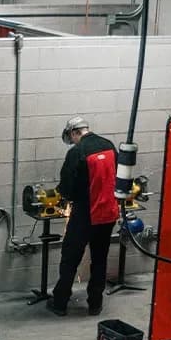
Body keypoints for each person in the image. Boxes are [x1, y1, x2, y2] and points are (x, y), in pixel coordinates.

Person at [49, 116, 119, 317]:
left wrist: (64, 196)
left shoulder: (77, 152)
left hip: (85, 213)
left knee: (70, 257)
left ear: (74, 133)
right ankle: (95, 304)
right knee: (99, 259)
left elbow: (67, 187)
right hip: (108, 213)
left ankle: (60, 302)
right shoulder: (109, 145)